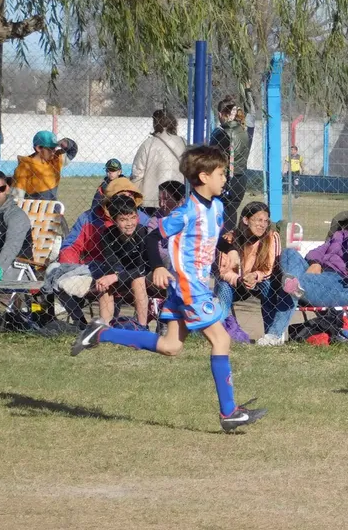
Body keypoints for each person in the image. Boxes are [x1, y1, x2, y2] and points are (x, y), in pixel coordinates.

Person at [70, 145, 267, 433]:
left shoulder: (219, 207)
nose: (226, 178)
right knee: (222, 341)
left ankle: (102, 332)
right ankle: (229, 413)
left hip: (188, 288)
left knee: (170, 346)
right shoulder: (186, 212)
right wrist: (157, 267)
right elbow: (152, 238)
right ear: (203, 176)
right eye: (221, 173)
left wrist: (230, 248)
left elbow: (213, 241)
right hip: (190, 288)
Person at [258, 203, 348, 345]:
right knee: (289, 253)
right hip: (318, 273)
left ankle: (274, 333)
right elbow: (315, 252)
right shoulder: (340, 236)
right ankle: (294, 285)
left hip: (344, 285)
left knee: (290, 282)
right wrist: (316, 263)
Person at [93, 194, 158, 327]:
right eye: (123, 219)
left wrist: (116, 276)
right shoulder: (107, 235)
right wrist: (111, 277)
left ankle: (142, 328)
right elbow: (112, 266)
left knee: (137, 281)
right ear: (114, 220)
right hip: (122, 275)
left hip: (145, 276)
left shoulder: (142, 233)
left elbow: (143, 268)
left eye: (133, 218)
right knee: (105, 284)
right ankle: (104, 329)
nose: (129, 224)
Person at [215, 202, 282, 330]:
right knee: (223, 286)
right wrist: (239, 279)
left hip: (260, 281)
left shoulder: (272, 237)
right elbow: (222, 271)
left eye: (266, 221)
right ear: (246, 220)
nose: (262, 225)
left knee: (269, 285)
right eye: (258, 220)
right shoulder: (229, 239)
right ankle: (216, 328)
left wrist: (255, 276)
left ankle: (271, 335)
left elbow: (272, 267)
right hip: (235, 283)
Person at [59, 177, 150, 271]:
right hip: (90, 267)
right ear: (110, 200)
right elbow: (71, 247)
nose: (126, 199)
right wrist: (69, 269)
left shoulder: (142, 220)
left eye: (130, 195)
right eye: (122, 195)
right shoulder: (88, 218)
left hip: (130, 271)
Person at [131, 110, 187, 212]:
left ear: (155, 124)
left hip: (152, 200)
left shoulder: (148, 144)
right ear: (174, 123)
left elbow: (137, 173)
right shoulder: (183, 143)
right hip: (178, 197)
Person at [210, 96, 251, 232]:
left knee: (216, 212)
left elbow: (211, 157)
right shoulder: (244, 132)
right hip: (240, 179)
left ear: (220, 114)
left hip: (224, 178)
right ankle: (229, 242)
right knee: (231, 212)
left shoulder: (220, 133)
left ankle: (219, 244)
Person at [11, 130, 78, 200]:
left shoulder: (56, 160)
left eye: (55, 148)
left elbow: (73, 150)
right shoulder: (24, 168)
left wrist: (66, 142)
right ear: (39, 148)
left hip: (52, 209)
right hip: (34, 209)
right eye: (51, 148)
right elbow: (16, 199)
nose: (54, 151)